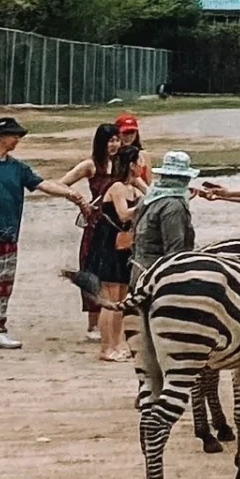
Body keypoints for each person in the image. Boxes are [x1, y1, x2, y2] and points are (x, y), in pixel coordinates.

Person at [0, 115, 84, 350]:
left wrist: (68, 193)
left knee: (3, 286)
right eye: (14, 135)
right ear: (0, 137)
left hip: (8, 236)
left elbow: (43, 184)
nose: (17, 140)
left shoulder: (17, 168)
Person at [60, 122, 122, 338]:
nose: (114, 144)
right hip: (96, 226)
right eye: (110, 140)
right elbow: (62, 184)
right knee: (92, 269)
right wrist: (81, 202)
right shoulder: (91, 165)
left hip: (119, 226)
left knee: (116, 273)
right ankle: (93, 323)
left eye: (117, 140)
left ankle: (114, 320)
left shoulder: (123, 164)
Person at [84, 148, 143, 360]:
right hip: (109, 246)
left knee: (121, 299)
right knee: (109, 299)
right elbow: (123, 214)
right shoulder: (117, 187)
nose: (142, 166)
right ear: (131, 164)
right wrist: (143, 205)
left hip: (125, 247)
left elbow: (153, 195)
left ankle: (117, 344)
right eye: (139, 162)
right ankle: (106, 347)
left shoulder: (133, 186)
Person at [132, 151, 198, 280]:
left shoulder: (150, 197)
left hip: (140, 269)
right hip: (156, 276)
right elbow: (174, 251)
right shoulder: (174, 206)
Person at [113, 112, 153, 188]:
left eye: (132, 132)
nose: (129, 136)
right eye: (125, 133)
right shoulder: (113, 155)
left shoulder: (144, 155)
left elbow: (148, 182)